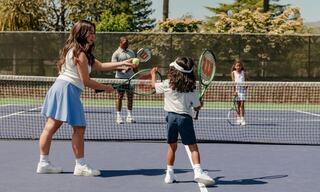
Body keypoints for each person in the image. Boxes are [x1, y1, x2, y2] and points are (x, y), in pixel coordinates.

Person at [37, 20, 135, 176]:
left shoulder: (78, 51)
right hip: (67, 89)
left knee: (50, 127)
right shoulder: (80, 53)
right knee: (79, 128)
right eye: (89, 32)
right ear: (80, 33)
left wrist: (123, 63)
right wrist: (106, 88)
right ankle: (80, 165)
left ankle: (43, 163)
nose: (92, 35)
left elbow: (101, 66)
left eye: (93, 32)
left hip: (59, 87)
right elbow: (86, 81)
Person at [150, 57, 214, 186]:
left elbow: (153, 86)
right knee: (193, 147)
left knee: (172, 147)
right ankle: (198, 172)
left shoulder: (167, 83)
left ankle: (169, 174)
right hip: (185, 119)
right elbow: (196, 106)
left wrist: (153, 75)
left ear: (174, 71)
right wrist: (200, 104)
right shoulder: (191, 89)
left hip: (171, 118)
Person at [111, 37, 138, 124]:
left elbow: (134, 66)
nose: (127, 44)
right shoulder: (116, 54)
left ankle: (129, 116)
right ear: (121, 43)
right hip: (120, 79)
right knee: (119, 96)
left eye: (128, 43)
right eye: (125, 43)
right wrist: (123, 69)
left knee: (130, 97)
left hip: (131, 79)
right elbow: (114, 66)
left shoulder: (131, 53)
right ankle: (119, 117)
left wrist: (135, 69)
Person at [231, 59, 249, 126]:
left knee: (242, 105)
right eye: (237, 66)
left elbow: (248, 81)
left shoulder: (244, 73)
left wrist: (246, 87)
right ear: (235, 66)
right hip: (237, 91)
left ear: (241, 66)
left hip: (242, 91)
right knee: (238, 106)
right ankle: (238, 118)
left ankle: (243, 119)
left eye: (239, 66)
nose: (238, 67)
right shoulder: (233, 73)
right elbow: (233, 83)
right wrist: (234, 91)